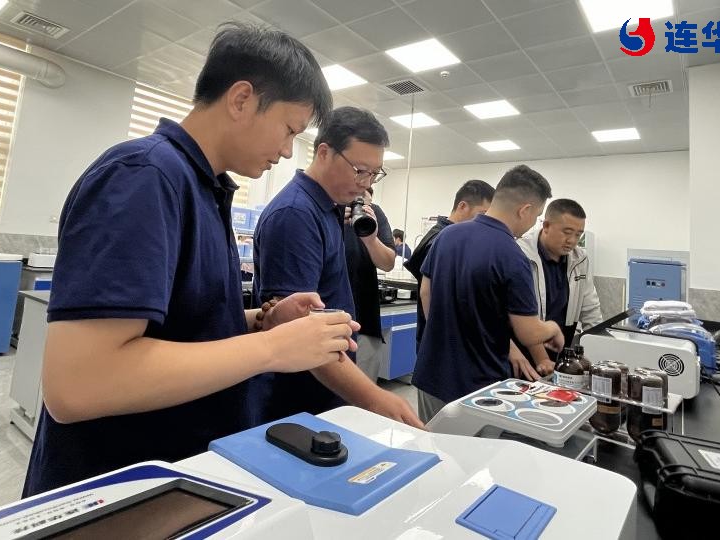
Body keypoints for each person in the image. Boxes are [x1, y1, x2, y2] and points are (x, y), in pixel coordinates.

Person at [22, 23, 360, 497]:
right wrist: (273, 348)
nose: (288, 151)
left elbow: (176, 325)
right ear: (241, 99)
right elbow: (78, 384)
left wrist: (262, 321)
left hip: (178, 477)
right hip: (115, 490)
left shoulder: (204, 188)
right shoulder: (143, 176)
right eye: (289, 130)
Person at [253, 106, 422, 428]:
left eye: (374, 174)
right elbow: (297, 333)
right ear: (324, 153)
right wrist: (373, 397)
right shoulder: (296, 214)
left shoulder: (330, 209)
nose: (365, 183)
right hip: (298, 397)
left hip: (326, 386)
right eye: (360, 170)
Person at [412, 165, 565, 422]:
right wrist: (553, 329)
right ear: (524, 210)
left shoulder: (447, 235)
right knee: (470, 448)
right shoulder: (512, 255)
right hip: (477, 388)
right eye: (536, 216)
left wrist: (445, 333)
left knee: (430, 442)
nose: (532, 225)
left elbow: (425, 292)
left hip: (430, 374)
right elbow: (528, 333)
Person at [403, 179, 495, 351]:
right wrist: (439, 336)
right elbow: (428, 293)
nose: (484, 222)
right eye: (482, 214)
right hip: (440, 339)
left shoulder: (449, 237)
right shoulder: (441, 240)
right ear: (462, 206)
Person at [516, 199, 602, 374]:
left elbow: (590, 309)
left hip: (561, 348)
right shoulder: (521, 254)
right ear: (546, 226)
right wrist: (542, 359)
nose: (572, 241)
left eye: (578, 235)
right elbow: (521, 314)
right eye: (567, 232)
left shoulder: (580, 259)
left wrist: (600, 352)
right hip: (524, 350)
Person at [344, 185, 397, 381]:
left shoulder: (375, 214)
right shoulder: (325, 210)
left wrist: (371, 239)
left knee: (362, 390)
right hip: (324, 320)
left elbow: (388, 263)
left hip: (364, 322)